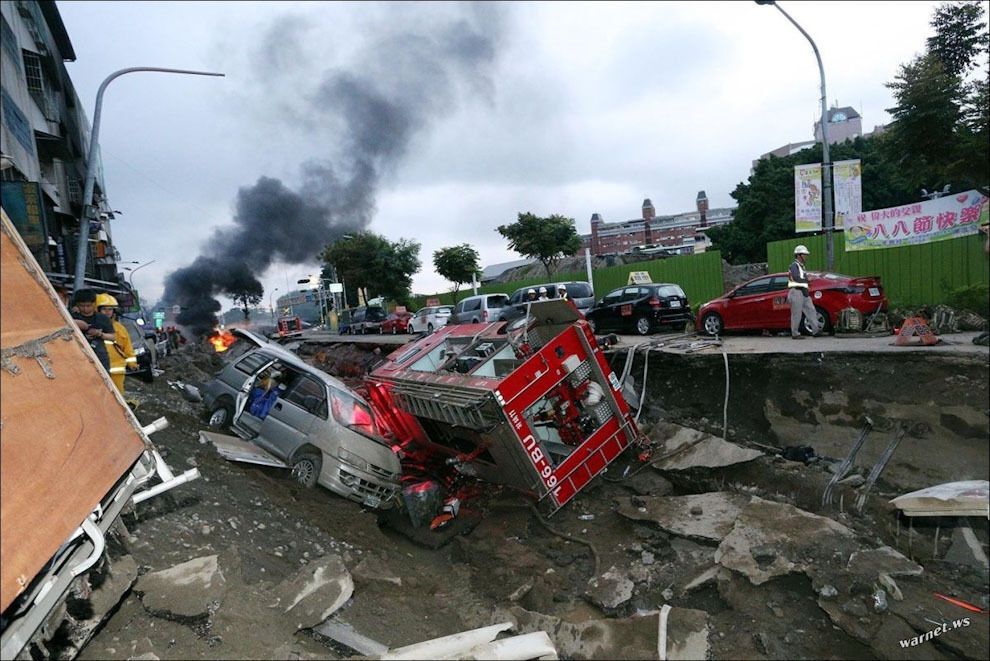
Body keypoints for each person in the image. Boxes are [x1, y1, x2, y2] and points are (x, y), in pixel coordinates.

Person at [97, 293, 137, 394]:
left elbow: (128, 347)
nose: (107, 312)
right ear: (97, 310)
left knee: (118, 396)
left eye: (110, 309)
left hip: (117, 370)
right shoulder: (92, 327)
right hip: (97, 369)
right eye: (104, 309)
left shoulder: (120, 328)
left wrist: (132, 363)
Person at [71, 289, 115, 372]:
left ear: (94, 304)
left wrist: (100, 334)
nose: (85, 309)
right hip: (77, 357)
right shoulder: (71, 317)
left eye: (88, 306)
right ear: (77, 305)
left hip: (100, 357)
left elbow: (112, 337)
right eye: (82, 306)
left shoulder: (103, 318)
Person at [787, 245, 820, 339]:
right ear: (798, 255)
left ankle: (816, 331)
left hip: (803, 292)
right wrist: (807, 280)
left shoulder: (801, 266)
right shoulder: (794, 265)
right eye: (804, 254)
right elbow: (796, 278)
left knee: (811, 310)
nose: (806, 256)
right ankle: (795, 333)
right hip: (796, 292)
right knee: (796, 313)